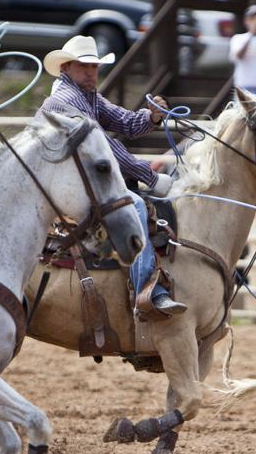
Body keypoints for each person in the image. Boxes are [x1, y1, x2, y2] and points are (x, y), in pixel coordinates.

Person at [38, 35, 185, 320]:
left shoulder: (86, 95)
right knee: (137, 206)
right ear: (66, 67)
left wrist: (151, 117)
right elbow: (103, 148)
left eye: (95, 67)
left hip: (78, 181)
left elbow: (126, 123)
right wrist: (150, 177)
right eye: (85, 67)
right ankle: (146, 292)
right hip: (65, 184)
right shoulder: (66, 101)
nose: (92, 73)